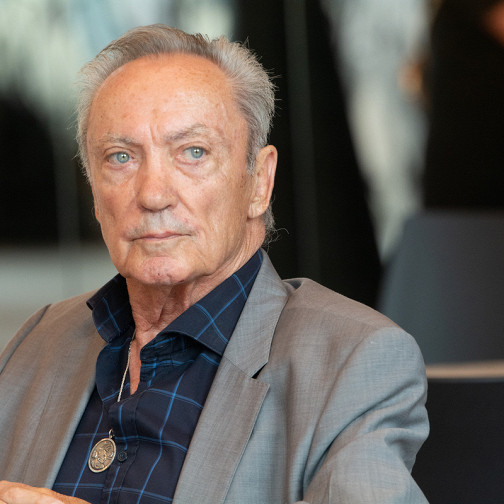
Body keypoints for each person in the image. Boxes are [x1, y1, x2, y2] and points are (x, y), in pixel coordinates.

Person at [0, 24, 429, 503]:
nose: (153, 194)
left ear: (259, 182)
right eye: (121, 157)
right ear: (95, 194)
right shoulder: (37, 343)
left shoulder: (352, 361)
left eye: (193, 152)